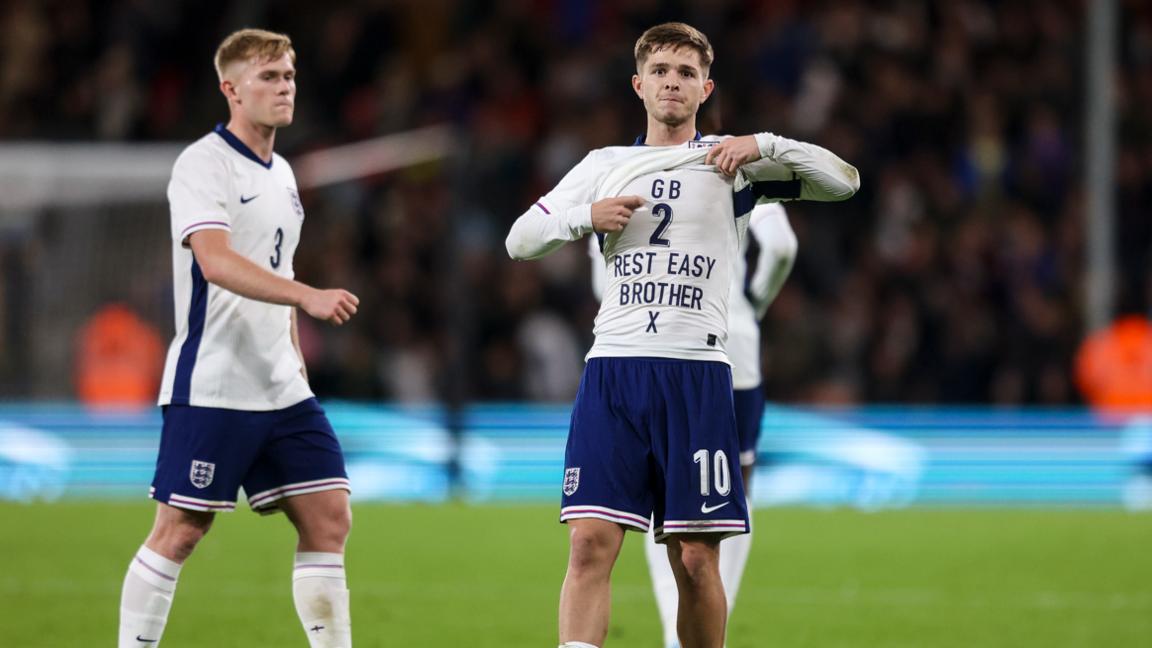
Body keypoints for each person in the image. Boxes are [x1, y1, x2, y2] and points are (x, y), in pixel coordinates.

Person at [505, 22, 858, 648]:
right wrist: (584, 217)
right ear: (639, 85)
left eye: (687, 73)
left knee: (695, 560)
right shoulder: (604, 166)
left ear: (705, 88)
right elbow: (519, 239)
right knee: (588, 544)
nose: (673, 82)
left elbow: (844, 181)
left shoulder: (731, 166)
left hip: (696, 373)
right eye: (662, 71)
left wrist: (764, 142)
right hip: (614, 369)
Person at [117, 29, 360, 648]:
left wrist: (297, 364)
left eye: (289, 77)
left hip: (280, 383)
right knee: (179, 531)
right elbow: (216, 261)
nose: (285, 89)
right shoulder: (203, 162)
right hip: (216, 380)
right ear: (231, 89)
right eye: (269, 78)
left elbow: (271, 270)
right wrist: (306, 296)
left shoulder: (282, 173)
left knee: (329, 516)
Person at [589, 201, 797, 648]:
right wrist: (752, 302)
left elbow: (600, 281)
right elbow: (781, 247)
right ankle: (712, 618)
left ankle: (673, 631)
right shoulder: (739, 171)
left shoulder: (620, 177)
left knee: (660, 495)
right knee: (730, 496)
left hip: (656, 352)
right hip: (733, 349)